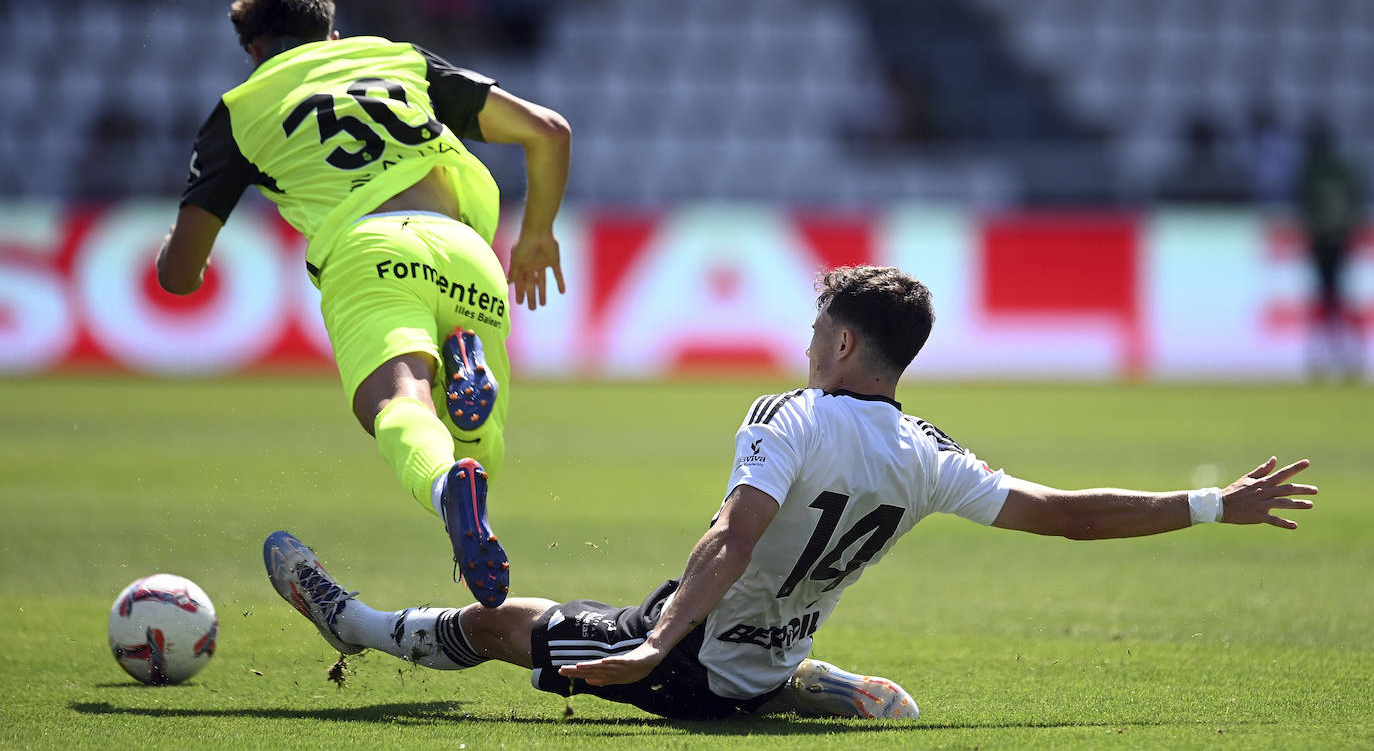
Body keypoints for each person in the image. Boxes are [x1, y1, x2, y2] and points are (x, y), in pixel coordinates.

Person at [262, 265, 1317, 720]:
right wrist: (1214, 504)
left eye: (818, 329)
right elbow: (1063, 511)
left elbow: (733, 535)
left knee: (504, 622)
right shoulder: (927, 451)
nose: (806, 342)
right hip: (752, 646)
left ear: (844, 341)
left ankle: (361, 625)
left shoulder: (789, 416)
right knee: (733, 630)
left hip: (700, 664)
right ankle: (803, 679)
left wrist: (656, 644)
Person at [158, 0, 571, 608]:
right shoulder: (396, 60)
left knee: (395, 405)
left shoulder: (241, 110)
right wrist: (538, 234)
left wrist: (174, 258)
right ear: (332, 32)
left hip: (370, 247)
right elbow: (548, 130)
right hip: (467, 250)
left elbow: (180, 275)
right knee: (479, 451)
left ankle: (443, 480)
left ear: (254, 50)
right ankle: (465, 378)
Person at [1297, 117, 1366, 380]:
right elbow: (1354, 207)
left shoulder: (1313, 170)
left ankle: (1331, 359)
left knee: (1328, 300)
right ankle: (1342, 358)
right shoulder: (1340, 170)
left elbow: (1304, 208)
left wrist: (1322, 231)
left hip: (1327, 242)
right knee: (1335, 300)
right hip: (1335, 241)